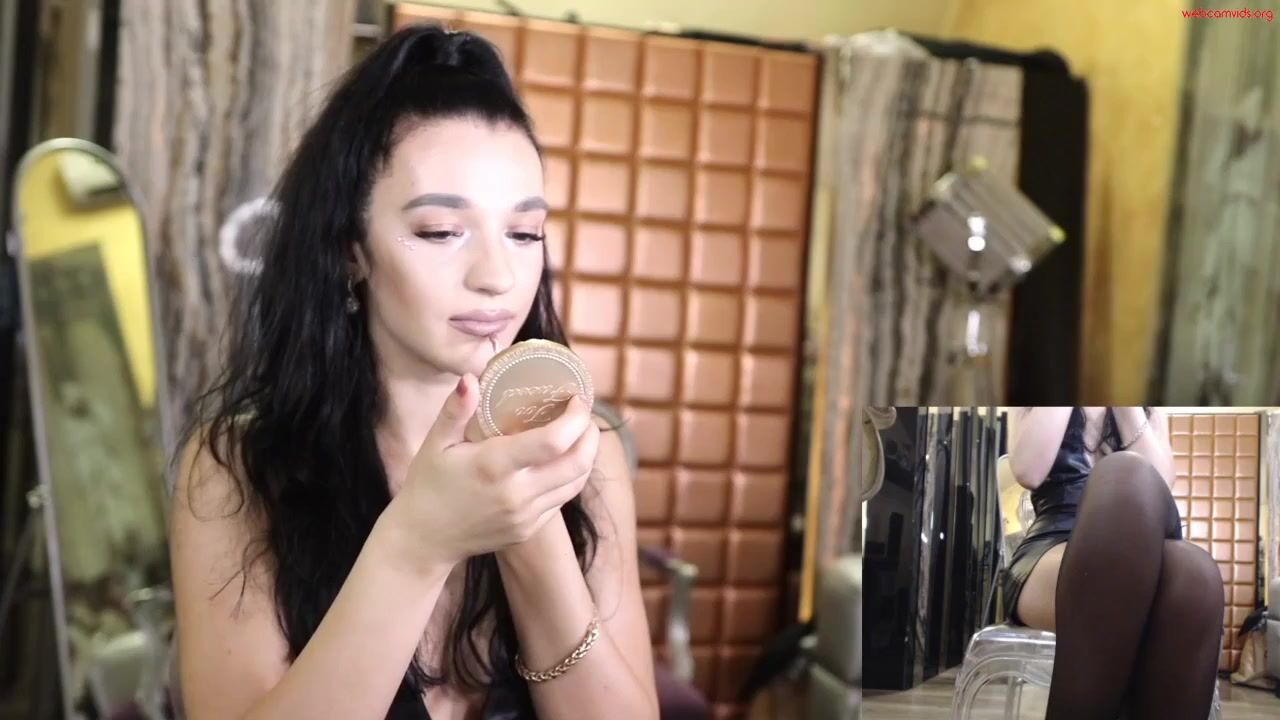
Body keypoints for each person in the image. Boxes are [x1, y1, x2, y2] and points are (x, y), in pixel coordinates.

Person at [168, 25, 658, 720]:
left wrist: (532, 517)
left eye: (524, 233)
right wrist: (418, 542)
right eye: (440, 232)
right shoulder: (237, 470)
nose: (497, 277)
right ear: (350, 251)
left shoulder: (590, 454)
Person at [1004, 407, 1224, 720]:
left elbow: (1162, 485)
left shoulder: (1148, 409)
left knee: (1195, 574)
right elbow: (1029, 470)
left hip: (1141, 553)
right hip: (1051, 550)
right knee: (1123, 471)